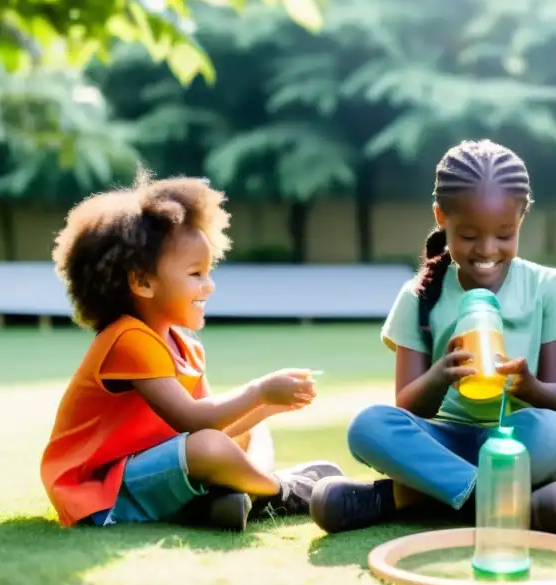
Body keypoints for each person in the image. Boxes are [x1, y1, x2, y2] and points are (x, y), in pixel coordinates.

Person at [310, 139, 556, 536]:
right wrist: (440, 375)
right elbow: (408, 407)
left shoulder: (549, 288)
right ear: (441, 216)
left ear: (521, 219)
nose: (487, 250)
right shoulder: (420, 297)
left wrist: (527, 385)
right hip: (439, 441)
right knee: (368, 425)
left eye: (504, 234)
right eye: (469, 235)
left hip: (513, 439)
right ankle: (498, 502)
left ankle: (394, 499)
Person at [41, 171, 342, 532]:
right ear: (142, 282)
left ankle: (228, 499)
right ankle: (285, 490)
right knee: (209, 448)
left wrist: (265, 406)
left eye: (208, 271)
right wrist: (258, 391)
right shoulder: (127, 339)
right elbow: (194, 423)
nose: (209, 286)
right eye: (195, 274)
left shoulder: (185, 346)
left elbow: (218, 424)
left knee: (254, 431)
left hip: (155, 468)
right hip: (100, 492)